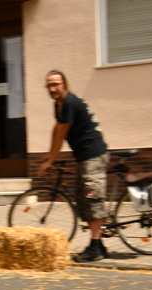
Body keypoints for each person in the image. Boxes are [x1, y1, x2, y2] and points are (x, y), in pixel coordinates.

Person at [37, 70, 110, 262]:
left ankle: (94, 248)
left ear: (64, 84)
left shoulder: (69, 102)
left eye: (56, 84)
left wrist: (51, 160)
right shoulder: (59, 104)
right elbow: (57, 129)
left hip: (93, 155)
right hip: (84, 157)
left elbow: (63, 133)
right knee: (84, 200)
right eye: (49, 85)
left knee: (92, 200)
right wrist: (49, 153)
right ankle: (100, 246)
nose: (53, 89)